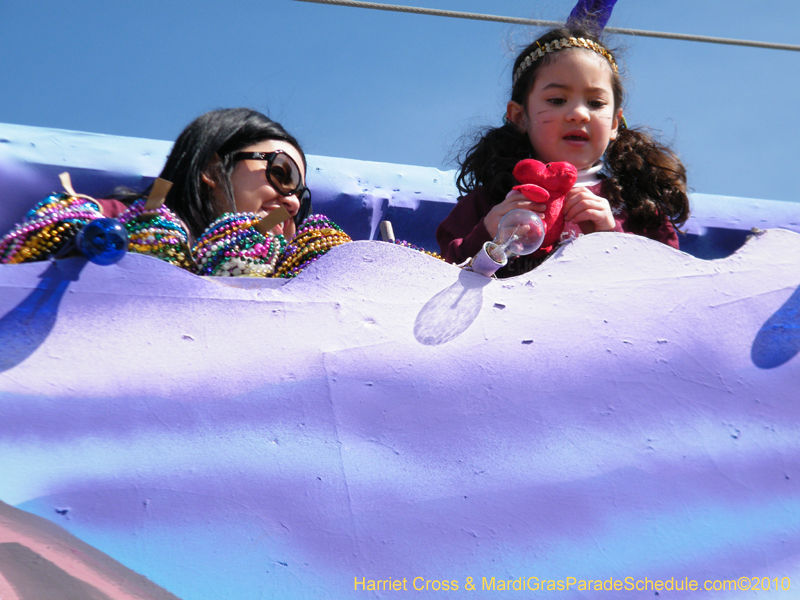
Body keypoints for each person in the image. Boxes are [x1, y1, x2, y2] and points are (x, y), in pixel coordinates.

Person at [436, 25, 690, 277]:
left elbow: (666, 294)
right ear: (519, 117)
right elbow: (437, 281)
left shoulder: (641, 210)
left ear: (614, 124)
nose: (579, 114)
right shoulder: (489, 202)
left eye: (595, 103)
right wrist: (487, 233)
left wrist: (612, 240)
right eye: (557, 100)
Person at [0, 108, 351, 276]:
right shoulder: (105, 221)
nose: (291, 201)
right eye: (282, 173)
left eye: (302, 198)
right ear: (212, 170)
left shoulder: (308, 271)